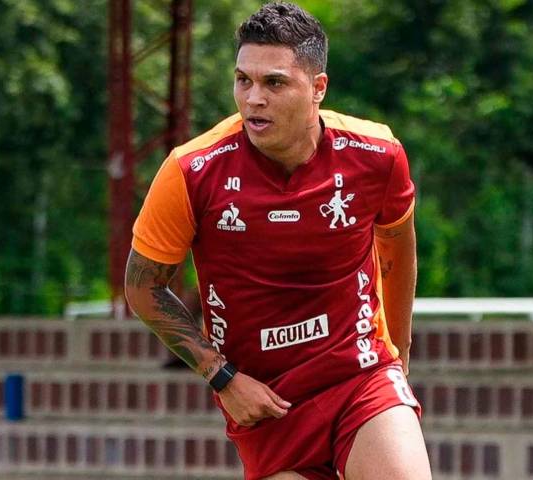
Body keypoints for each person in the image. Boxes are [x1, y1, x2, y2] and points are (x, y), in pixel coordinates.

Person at [124, 3, 431, 479]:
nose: (253, 99)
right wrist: (221, 377)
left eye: (274, 82)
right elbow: (143, 287)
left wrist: (400, 353)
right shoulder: (190, 171)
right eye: (243, 80)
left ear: (318, 88)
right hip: (268, 403)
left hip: (360, 375)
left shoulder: (378, 156)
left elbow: (397, 248)